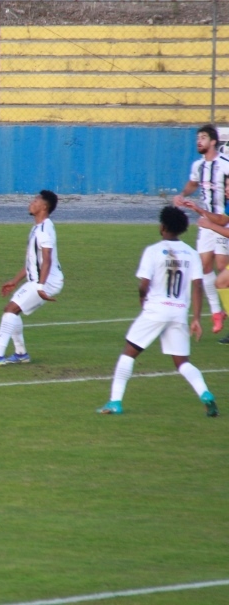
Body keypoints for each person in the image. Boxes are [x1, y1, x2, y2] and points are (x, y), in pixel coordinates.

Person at [97, 206, 219, 417]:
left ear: (163, 227)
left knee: (129, 353)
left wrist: (142, 300)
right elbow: (197, 286)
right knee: (182, 362)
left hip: (155, 310)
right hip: (179, 312)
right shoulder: (191, 254)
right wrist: (197, 318)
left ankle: (115, 402)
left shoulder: (153, 251)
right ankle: (205, 394)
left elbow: (144, 285)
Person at [0, 190, 63, 367]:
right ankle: (20, 354)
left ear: (44, 207)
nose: (31, 203)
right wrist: (15, 281)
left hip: (46, 282)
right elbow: (33, 262)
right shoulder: (37, 228)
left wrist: (40, 286)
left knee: (11, 310)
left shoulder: (44, 231)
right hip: (39, 280)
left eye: (36, 201)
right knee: (13, 311)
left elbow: (46, 260)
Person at [173, 124, 229, 333]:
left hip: (224, 219)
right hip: (206, 221)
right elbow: (192, 184)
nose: (199, 141)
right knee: (204, 266)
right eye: (198, 137)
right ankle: (217, 312)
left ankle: (226, 308)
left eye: (203, 137)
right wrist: (183, 195)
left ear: (213, 141)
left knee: (223, 268)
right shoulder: (198, 166)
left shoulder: (225, 164)